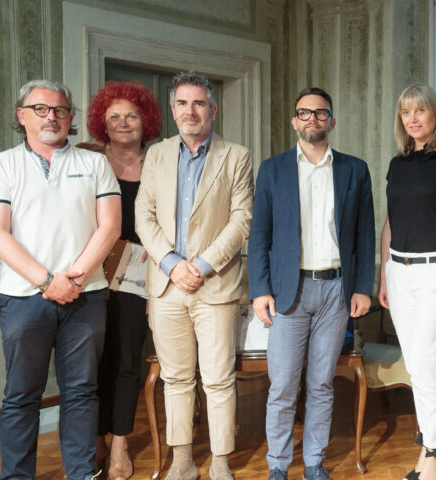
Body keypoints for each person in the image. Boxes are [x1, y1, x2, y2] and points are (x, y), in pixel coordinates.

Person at [0, 79, 121, 479]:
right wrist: (47, 281)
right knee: (22, 396)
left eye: (59, 110)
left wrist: (73, 277)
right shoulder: (0, 165)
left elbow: (109, 227)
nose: (51, 116)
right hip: (23, 299)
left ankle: (80, 472)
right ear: (22, 115)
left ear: (71, 118)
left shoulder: (94, 163)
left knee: (81, 393)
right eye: (40, 109)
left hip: (86, 296)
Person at [247, 87, 376, 480]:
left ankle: (314, 463)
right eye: (304, 113)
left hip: (337, 290)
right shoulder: (273, 170)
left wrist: (363, 287)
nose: (312, 120)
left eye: (320, 114)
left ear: (331, 121)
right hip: (290, 291)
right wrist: (260, 289)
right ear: (294, 121)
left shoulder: (354, 169)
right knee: (283, 386)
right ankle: (278, 467)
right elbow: (260, 235)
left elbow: (365, 234)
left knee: (321, 383)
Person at [134, 72, 253, 480]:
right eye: (183, 103)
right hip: (166, 286)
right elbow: (143, 215)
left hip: (215, 285)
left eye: (199, 103)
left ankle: (220, 461)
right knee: (177, 378)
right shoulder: (157, 155)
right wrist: (170, 262)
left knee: (218, 379)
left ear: (212, 110)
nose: (191, 111)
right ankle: (182, 461)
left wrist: (200, 266)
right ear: (173, 110)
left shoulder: (235, 155)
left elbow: (241, 220)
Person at [378, 83, 436, 480]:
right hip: (398, 272)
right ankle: (428, 448)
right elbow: (390, 221)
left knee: (423, 361)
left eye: (420, 111)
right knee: (417, 367)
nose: (413, 118)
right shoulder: (398, 163)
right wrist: (382, 271)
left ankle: (434, 452)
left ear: (435, 114)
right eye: (405, 112)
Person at [77, 80, 162, 479]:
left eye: (132, 115)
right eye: (115, 116)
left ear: (147, 121)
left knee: (127, 359)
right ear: (102, 123)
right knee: (90, 360)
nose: (124, 122)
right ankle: (95, 437)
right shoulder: (86, 158)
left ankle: (120, 445)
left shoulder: (162, 161)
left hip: (140, 270)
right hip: (89, 266)